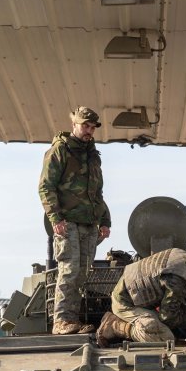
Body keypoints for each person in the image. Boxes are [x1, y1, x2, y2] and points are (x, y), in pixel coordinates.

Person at [39, 105, 112, 335]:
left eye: (92, 127)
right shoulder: (60, 150)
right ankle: (61, 320)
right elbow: (45, 187)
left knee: (81, 273)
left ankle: (72, 320)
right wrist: (55, 217)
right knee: (69, 270)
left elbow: (97, 192)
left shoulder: (93, 156)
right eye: (85, 126)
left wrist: (105, 220)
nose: (89, 130)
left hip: (89, 223)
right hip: (67, 221)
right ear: (74, 125)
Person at [96, 248, 186, 345]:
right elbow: (168, 317)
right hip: (125, 303)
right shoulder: (179, 279)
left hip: (134, 295)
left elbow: (183, 289)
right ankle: (114, 325)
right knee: (164, 337)